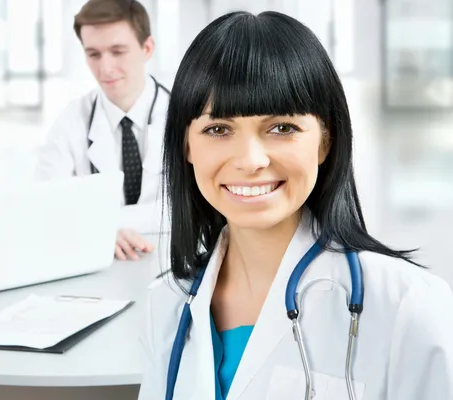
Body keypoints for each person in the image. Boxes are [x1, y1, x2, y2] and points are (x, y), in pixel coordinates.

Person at [137, 11, 453, 400]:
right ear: (186, 146)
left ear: (324, 141)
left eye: (281, 128)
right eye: (218, 129)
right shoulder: (165, 303)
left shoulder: (410, 307)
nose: (250, 160)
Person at [34, 0, 170, 261]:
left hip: (171, 261)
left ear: (147, 48)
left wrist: (100, 223)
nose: (105, 68)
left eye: (118, 51)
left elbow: (195, 208)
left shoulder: (184, 117)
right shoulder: (71, 121)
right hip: (97, 262)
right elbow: (43, 206)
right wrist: (101, 231)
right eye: (93, 54)